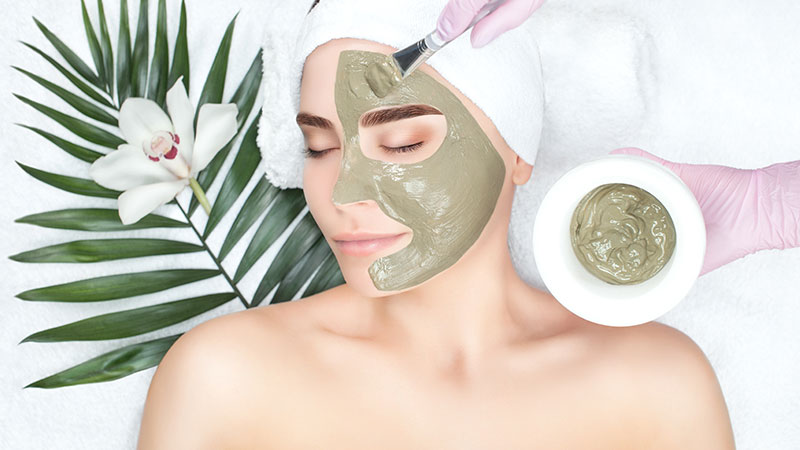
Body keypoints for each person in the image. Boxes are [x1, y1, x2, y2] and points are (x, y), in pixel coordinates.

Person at [136, 35, 738, 448]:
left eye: (402, 145)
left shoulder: (657, 383)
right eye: (320, 148)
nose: (343, 190)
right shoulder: (224, 376)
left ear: (517, 149)